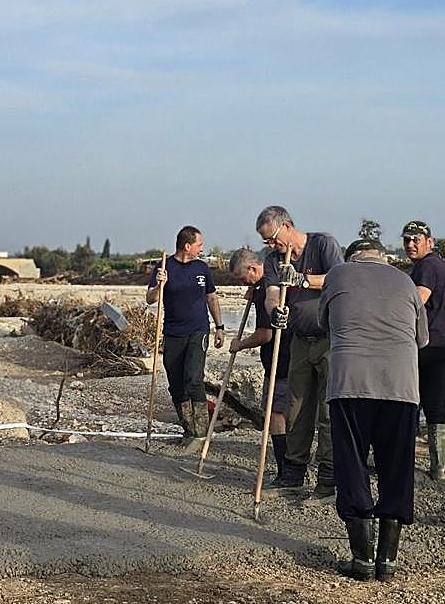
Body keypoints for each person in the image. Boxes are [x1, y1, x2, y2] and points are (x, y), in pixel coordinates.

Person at [319, 238, 427, 581]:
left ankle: (362, 560)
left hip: (350, 383)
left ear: (353, 259)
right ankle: (388, 561)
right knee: (396, 466)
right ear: (382, 258)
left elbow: (325, 322)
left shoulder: (338, 275)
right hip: (400, 386)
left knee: (352, 462)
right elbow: (422, 339)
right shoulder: (406, 281)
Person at [256, 205, 344, 497]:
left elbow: (339, 279)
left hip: (329, 338)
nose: (271, 245)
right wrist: (275, 312)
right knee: (296, 407)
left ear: (288, 226)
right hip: (298, 340)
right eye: (266, 241)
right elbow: (270, 294)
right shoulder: (273, 260)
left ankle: (329, 475)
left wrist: (303, 280)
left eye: (273, 238)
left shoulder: (323, 245)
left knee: (328, 409)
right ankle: (293, 472)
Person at [147, 226, 225, 445]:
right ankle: (189, 430)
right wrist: (159, 285)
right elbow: (150, 299)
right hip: (172, 333)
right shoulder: (164, 267)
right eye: (199, 245)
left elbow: (212, 298)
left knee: (193, 378)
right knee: (176, 384)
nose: (202, 248)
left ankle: (200, 434)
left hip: (198, 330)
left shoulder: (202, 268)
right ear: (187, 246)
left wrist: (219, 326)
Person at [401, 221, 445, 480]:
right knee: (435, 399)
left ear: (430, 241)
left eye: (416, 239)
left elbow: (417, 301)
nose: (410, 244)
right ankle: (438, 464)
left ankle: (408, 459)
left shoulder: (427, 266)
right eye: (407, 240)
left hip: (430, 342)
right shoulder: (437, 265)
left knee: (411, 399)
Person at [227, 247, 292, 482]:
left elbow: (266, 334)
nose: (243, 283)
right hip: (292, 357)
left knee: (276, 414)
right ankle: (291, 469)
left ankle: (286, 472)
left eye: (243, 278)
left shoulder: (268, 290)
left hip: (281, 360)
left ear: (253, 269)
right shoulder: (270, 284)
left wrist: (240, 345)